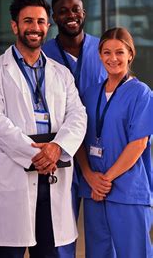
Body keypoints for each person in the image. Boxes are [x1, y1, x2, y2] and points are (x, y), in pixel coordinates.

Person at [0, 0, 87, 257]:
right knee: (11, 251)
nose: (35, 27)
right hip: (16, 172)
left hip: (54, 172)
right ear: (15, 26)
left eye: (40, 21)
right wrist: (37, 154)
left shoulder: (61, 73)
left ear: (47, 26)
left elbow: (78, 115)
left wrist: (56, 148)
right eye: (28, 21)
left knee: (50, 251)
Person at [76, 27, 152, 257]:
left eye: (119, 52)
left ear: (130, 54)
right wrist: (90, 176)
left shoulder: (142, 94)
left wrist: (105, 181)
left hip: (127, 191)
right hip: (94, 192)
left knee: (133, 253)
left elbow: (138, 144)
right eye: (107, 52)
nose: (113, 58)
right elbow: (78, 137)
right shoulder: (89, 94)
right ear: (99, 55)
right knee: (98, 252)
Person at [42, 0, 107, 256]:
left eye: (76, 9)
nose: (71, 15)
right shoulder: (43, 54)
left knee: (102, 226)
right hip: (59, 149)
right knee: (60, 225)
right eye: (64, 11)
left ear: (84, 12)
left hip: (99, 148)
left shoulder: (102, 50)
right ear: (54, 17)